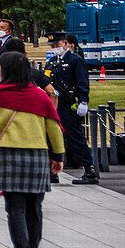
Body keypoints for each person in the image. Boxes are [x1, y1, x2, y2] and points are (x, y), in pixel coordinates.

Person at [0, 52, 65, 248]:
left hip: (8, 155)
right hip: (37, 156)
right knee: (35, 207)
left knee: (15, 208)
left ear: (5, 71)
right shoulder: (39, 95)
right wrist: (58, 157)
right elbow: (54, 128)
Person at [52, 34, 98, 185]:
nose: (55, 48)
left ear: (65, 44)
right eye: (52, 46)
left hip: (70, 104)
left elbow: (82, 82)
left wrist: (83, 101)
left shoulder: (75, 60)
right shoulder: (53, 61)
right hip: (56, 105)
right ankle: (52, 172)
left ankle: (89, 170)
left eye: (57, 45)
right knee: (53, 137)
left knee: (75, 137)